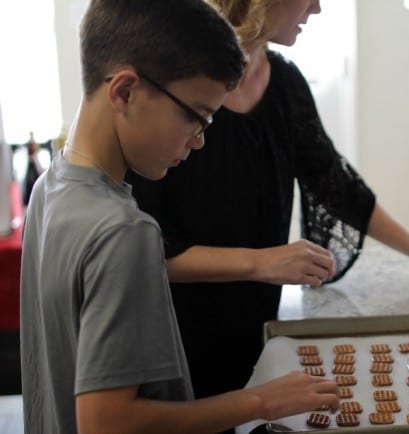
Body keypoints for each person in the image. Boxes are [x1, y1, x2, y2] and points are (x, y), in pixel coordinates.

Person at [19, 1, 338, 433]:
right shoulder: (124, 232)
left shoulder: (50, 187)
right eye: (195, 116)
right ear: (125, 91)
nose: (199, 141)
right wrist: (260, 400)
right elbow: (108, 423)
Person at [128, 0, 409, 408]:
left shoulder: (285, 83)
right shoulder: (173, 85)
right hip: (178, 342)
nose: (319, 8)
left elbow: (338, 187)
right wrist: (262, 262)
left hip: (254, 331)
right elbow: (146, 253)